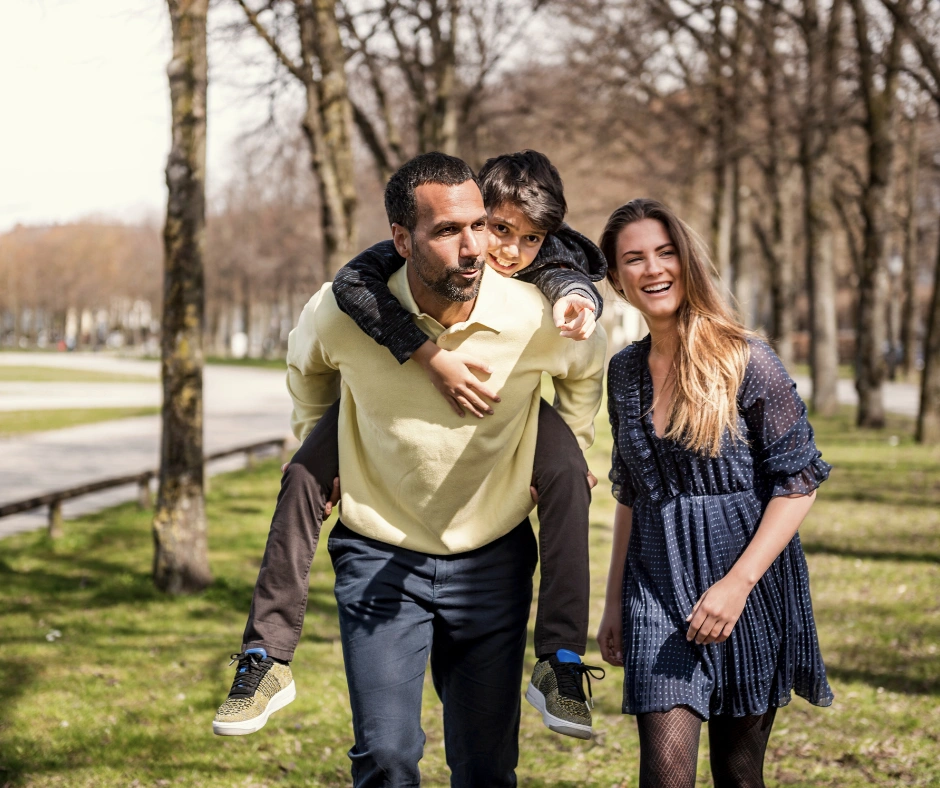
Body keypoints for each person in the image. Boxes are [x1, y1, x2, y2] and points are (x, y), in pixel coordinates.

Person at [215, 152, 607, 786]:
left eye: (481, 226)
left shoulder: (534, 312)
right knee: (387, 758)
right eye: (449, 231)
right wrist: (332, 440)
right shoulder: (345, 307)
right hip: (379, 558)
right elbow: (307, 369)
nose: (477, 247)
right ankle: (266, 660)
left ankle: (560, 661)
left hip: (491, 555)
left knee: (485, 766)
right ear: (401, 238)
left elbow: (587, 367)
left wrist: (574, 445)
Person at [330, 150, 609, 738]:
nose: (503, 251)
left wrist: (576, 303)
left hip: (514, 452)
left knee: (568, 477)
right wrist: (429, 357)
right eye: (496, 228)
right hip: (386, 522)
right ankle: (267, 651)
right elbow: (351, 287)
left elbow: (571, 282)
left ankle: (560, 658)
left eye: (527, 239)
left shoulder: (540, 281)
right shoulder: (403, 261)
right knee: (307, 467)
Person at [595, 198, 833, 788]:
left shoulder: (747, 360)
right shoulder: (623, 371)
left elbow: (798, 481)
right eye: (634, 258)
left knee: (738, 773)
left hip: (747, 588)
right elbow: (632, 490)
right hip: (655, 589)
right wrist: (613, 600)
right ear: (618, 278)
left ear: (686, 261)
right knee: (666, 774)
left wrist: (737, 585)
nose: (653, 269)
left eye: (665, 252)